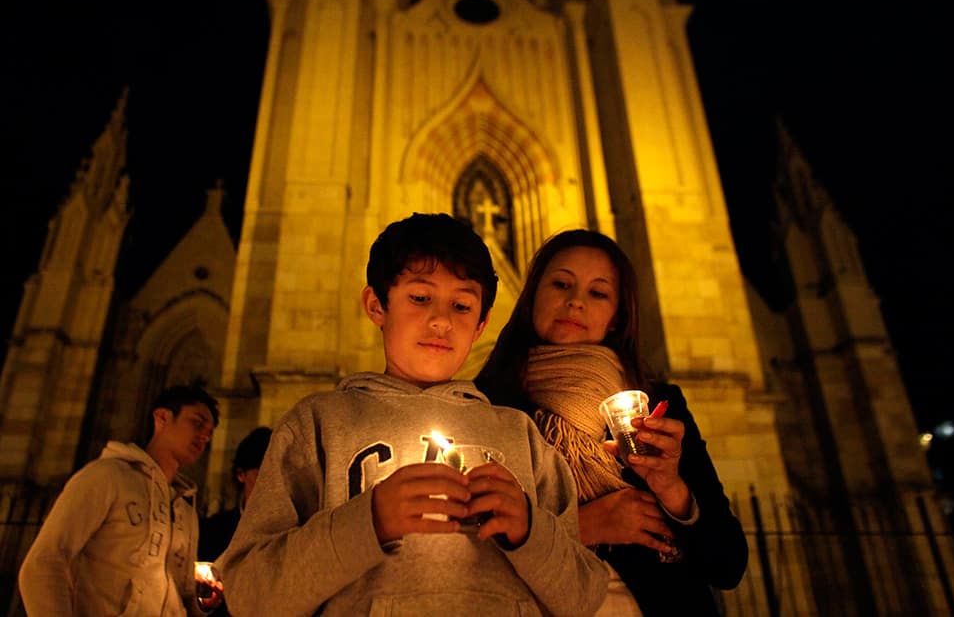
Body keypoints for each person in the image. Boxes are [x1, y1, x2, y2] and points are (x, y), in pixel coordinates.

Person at [219, 213, 608, 616]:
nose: (441, 321)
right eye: (420, 298)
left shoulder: (521, 435)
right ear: (376, 305)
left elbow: (582, 595)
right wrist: (368, 522)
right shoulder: (319, 424)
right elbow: (249, 591)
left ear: (481, 325)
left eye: (461, 305)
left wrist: (530, 531)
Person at [476, 229, 749, 616]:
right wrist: (581, 525)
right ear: (533, 295)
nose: (575, 302)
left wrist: (672, 489)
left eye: (598, 293)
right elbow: (468, 559)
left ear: (616, 317)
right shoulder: (484, 405)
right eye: (560, 284)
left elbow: (727, 565)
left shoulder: (656, 407)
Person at [19, 385, 221, 616]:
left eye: (210, 432)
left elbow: (183, 592)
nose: (204, 436)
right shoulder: (107, 477)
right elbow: (44, 562)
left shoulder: (186, 508)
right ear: (162, 417)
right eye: (197, 423)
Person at [198, 426, 272, 562]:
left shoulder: (290, 533)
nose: (270, 483)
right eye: (261, 474)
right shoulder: (213, 531)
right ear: (241, 474)